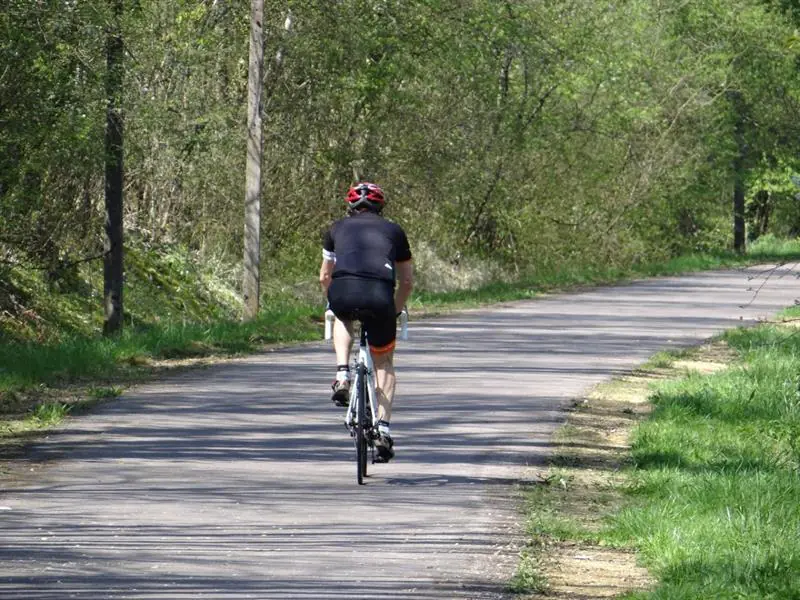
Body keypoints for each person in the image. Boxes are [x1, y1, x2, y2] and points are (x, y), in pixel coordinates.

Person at [319, 182, 414, 463]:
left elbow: (325, 277)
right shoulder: (395, 231)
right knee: (383, 362)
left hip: (344, 290)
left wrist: (332, 301)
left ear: (350, 207)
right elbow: (406, 281)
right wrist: (394, 312)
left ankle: (342, 373)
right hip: (380, 296)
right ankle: (382, 429)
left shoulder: (335, 229)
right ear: (381, 207)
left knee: (342, 315)